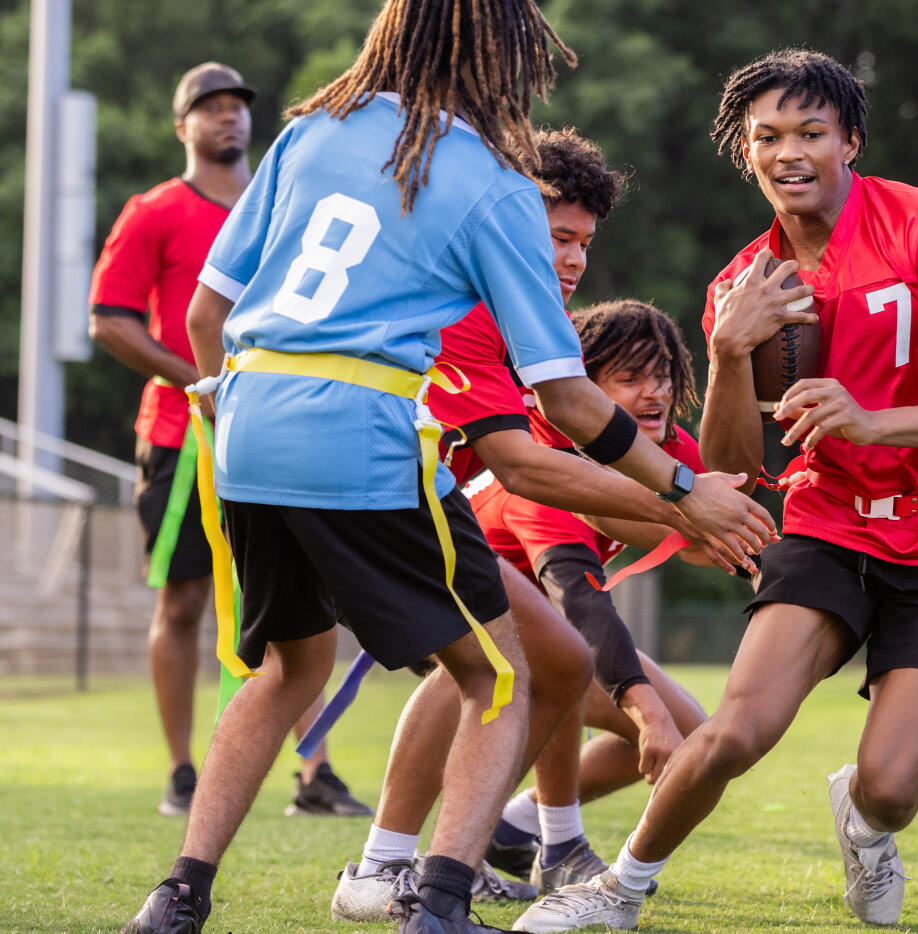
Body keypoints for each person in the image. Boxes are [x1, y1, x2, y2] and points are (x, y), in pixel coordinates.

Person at [119, 2, 774, 932]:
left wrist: (251, 421)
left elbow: (201, 317)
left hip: (249, 425)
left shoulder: (309, 132)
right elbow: (566, 402)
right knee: (500, 677)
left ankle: (178, 896)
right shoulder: (490, 180)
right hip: (360, 427)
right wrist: (683, 489)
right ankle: (439, 902)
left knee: (288, 670)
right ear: (500, 56)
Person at [512, 48, 918, 932]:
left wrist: (869, 421)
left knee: (895, 784)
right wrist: (723, 351)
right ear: (745, 152)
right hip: (827, 525)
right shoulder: (741, 287)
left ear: (850, 140)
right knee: (735, 731)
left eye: (809, 132)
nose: (787, 152)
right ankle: (617, 891)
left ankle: (865, 827)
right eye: (766, 137)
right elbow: (735, 470)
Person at [329, 130, 708, 922]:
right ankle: (407, 862)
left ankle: (511, 836)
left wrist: (731, 369)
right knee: (510, 665)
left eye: (584, 243)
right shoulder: (474, 308)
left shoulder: (530, 325)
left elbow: (681, 515)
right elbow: (536, 491)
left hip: (388, 492)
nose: (572, 260)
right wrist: (682, 501)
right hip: (372, 490)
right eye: (557, 236)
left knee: (548, 666)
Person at [88, 61, 369, 820]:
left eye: (237, 105)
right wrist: (202, 378)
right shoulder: (154, 210)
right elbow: (108, 319)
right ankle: (183, 772)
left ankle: (315, 772)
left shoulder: (287, 199)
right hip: (184, 435)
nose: (228, 118)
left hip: (283, 430)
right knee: (183, 600)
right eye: (208, 108)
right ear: (182, 126)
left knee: (306, 599)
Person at [472, 299, 711, 894]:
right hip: (462, 628)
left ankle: (517, 825)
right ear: (580, 394)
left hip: (547, 630)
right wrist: (646, 713)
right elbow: (580, 604)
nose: (653, 393)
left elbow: (713, 543)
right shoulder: (546, 464)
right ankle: (524, 846)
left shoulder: (667, 449)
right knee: (573, 665)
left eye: (662, 374)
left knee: (690, 728)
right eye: (629, 379)